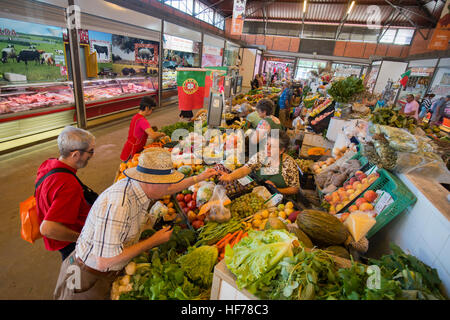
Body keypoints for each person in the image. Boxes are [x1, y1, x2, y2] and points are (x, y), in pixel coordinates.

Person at [53, 148, 218, 300]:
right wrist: (153, 241)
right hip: (88, 278)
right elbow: (104, 260)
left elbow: (168, 189)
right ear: (151, 182)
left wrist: (198, 178)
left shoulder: (140, 187)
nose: (170, 186)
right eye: (167, 181)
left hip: (101, 271)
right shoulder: (120, 205)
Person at [36, 126, 97, 261]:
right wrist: (82, 238)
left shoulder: (49, 164)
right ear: (75, 154)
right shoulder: (68, 185)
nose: (92, 155)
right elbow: (48, 229)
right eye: (90, 152)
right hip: (70, 243)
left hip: (60, 237)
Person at [219, 131, 300, 196]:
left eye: (272, 146)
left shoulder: (289, 164)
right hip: (259, 193)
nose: (267, 148)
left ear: (281, 150)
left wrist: (277, 189)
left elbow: (295, 189)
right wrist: (230, 176)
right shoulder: (261, 156)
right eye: (267, 144)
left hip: (279, 198)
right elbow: (245, 169)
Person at [120, 96, 165, 162]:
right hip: (133, 150)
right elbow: (153, 135)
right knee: (128, 167)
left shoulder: (136, 116)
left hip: (129, 147)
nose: (152, 111)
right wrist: (161, 134)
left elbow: (138, 130)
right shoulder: (142, 120)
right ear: (147, 108)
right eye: (152, 109)